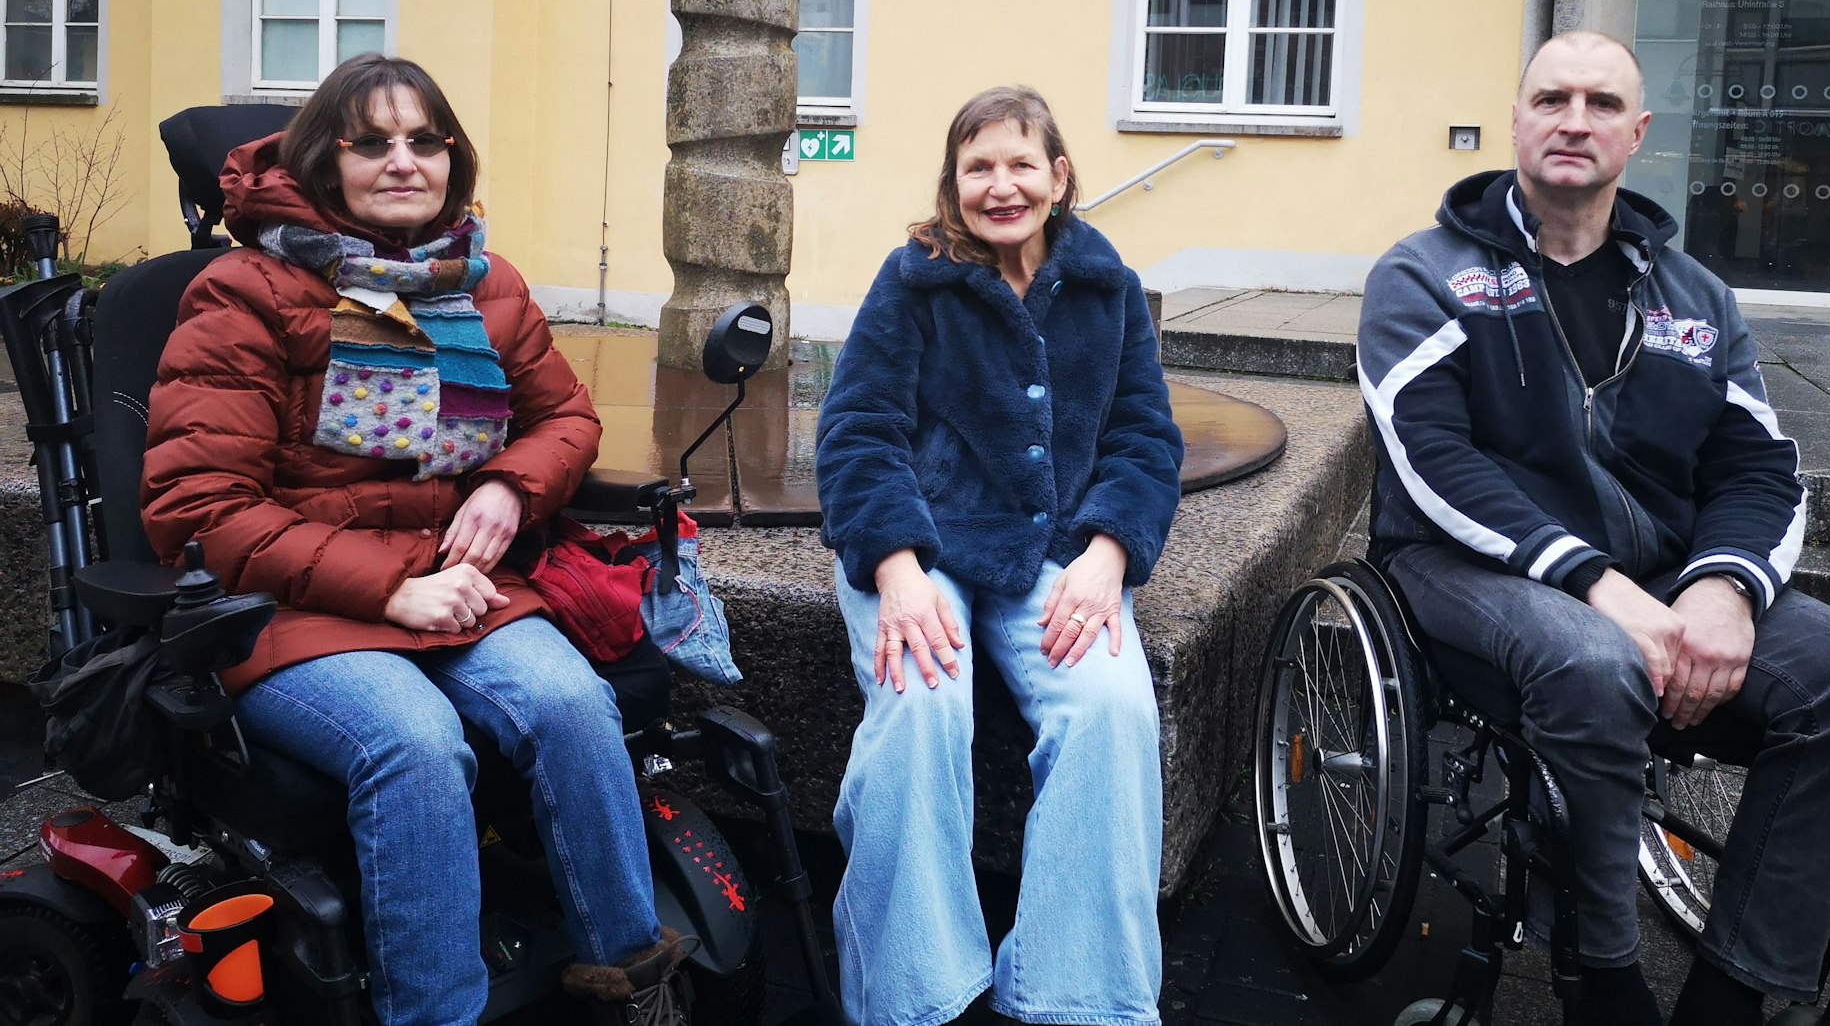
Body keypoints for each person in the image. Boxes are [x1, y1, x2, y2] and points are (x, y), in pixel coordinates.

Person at [1357, 31, 1830, 1026]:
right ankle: (1599, 972)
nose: (1574, 120)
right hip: (1460, 566)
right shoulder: (1423, 273)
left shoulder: (1694, 299)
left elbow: (1757, 466)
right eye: (1552, 98)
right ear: (1516, 117)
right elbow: (1432, 461)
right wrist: (1598, 587)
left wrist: (1724, 588)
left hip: (1659, 570)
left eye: (1601, 104)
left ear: (1637, 132)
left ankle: (1734, 985)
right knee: (1589, 659)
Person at [140, 54, 686, 1026]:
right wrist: (390, 587)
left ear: (452, 158)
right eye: (372, 141)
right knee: (417, 743)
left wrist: (509, 491)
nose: (404, 160)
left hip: (458, 586)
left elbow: (564, 419)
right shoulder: (246, 294)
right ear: (321, 158)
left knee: (572, 702)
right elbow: (199, 506)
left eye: (424, 140)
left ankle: (635, 991)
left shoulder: (480, 283)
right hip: (289, 608)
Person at [814, 85, 1184, 1026]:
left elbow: (1145, 440)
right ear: (954, 183)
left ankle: (1075, 994)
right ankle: (916, 996)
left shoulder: (1111, 290)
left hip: (1057, 550)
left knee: (1110, 707)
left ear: (1058, 177)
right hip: (922, 544)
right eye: (979, 166)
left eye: (1022, 163)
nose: (1001, 184)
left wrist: (1111, 552)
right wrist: (895, 570)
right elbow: (858, 431)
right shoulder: (913, 281)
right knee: (921, 702)